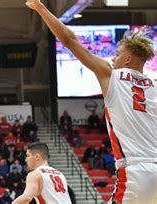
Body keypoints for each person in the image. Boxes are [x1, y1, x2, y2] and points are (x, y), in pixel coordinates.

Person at [27, 0, 157, 202]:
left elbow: (70, 40)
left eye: (117, 54)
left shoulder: (111, 74)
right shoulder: (155, 85)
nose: (113, 59)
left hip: (135, 170)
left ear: (128, 59)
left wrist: (41, 8)